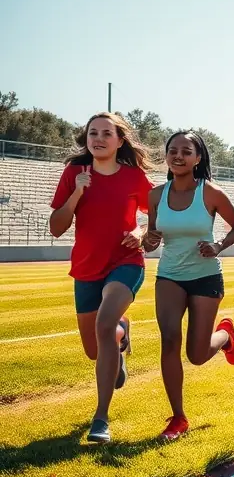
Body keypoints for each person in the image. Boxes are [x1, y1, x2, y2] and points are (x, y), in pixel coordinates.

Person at [49, 112, 154, 444]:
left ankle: (101, 418)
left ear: (119, 141)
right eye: (92, 133)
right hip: (86, 268)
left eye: (106, 133)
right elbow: (56, 227)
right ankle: (122, 334)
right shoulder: (73, 173)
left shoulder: (134, 177)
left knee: (104, 324)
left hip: (126, 262)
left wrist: (140, 231)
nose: (98, 138)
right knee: (96, 349)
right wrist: (77, 193)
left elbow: (155, 217)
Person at [143, 131, 234, 441]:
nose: (178, 155)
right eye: (172, 150)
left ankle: (225, 335)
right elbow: (150, 241)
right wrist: (147, 240)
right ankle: (178, 418)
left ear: (197, 157)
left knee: (197, 355)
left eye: (185, 151)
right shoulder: (156, 195)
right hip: (170, 275)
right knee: (169, 338)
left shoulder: (210, 193)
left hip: (205, 276)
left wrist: (218, 245)